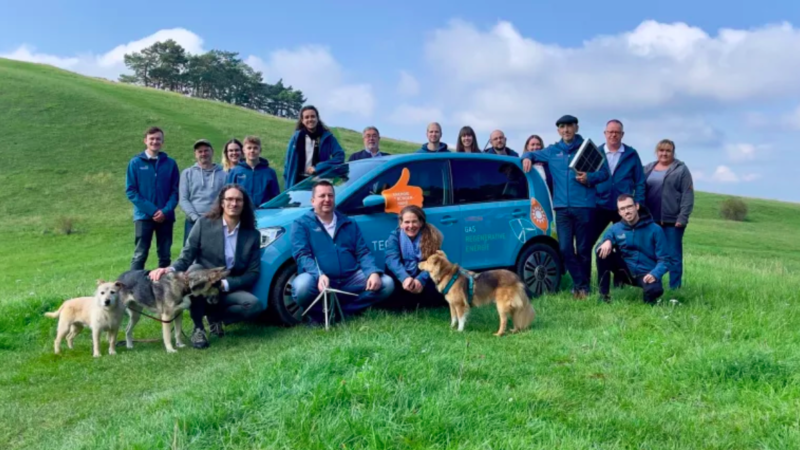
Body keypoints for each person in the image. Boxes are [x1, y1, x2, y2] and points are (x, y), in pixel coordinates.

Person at [149, 184, 264, 349]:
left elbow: (253, 273)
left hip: (227, 287)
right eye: (229, 199)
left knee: (254, 306)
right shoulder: (204, 224)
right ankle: (198, 329)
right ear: (222, 203)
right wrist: (169, 269)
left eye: (238, 200)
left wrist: (224, 284)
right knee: (194, 272)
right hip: (203, 284)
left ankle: (215, 317)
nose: (234, 203)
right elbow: (187, 255)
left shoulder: (252, 235)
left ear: (244, 204)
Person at [521, 115, 610, 299]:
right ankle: (581, 284)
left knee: (584, 250)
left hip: (584, 207)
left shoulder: (588, 149)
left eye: (569, 126)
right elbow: (530, 153)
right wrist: (527, 157)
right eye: (562, 127)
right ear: (558, 131)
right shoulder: (552, 151)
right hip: (561, 208)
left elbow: (604, 173)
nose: (566, 130)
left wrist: (589, 178)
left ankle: (583, 290)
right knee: (565, 249)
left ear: (576, 128)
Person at [290, 180, 394, 321]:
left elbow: (362, 252)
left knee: (386, 283)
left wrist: (372, 272)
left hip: (350, 278)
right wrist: (318, 274)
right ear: (313, 201)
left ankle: (343, 312)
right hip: (319, 279)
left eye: (330, 195)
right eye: (322, 196)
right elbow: (302, 255)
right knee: (301, 287)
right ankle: (317, 315)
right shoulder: (301, 224)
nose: (327, 200)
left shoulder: (349, 223)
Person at [595, 194, 670, 304]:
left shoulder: (656, 229)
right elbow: (607, 237)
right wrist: (607, 241)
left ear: (637, 206)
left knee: (654, 290)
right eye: (622, 209)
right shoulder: (616, 228)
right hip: (625, 272)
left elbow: (665, 260)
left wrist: (655, 274)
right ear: (619, 212)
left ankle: (648, 299)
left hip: (646, 273)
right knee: (601, 250)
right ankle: (604, 296)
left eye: (629, 207)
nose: (626, 211)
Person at [125, 126, 180, 271]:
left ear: (162, 142)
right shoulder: (135, 163)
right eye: (152, 139)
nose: (155, 142)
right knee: (140, 254)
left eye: (158, 139)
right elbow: (131, 191)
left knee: (165, 255)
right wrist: (153, 211)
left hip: (166, 218)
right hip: (143, 216)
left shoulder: (170, 164)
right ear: (145, 141)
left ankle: (165, 289)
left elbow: (175, 192)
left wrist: (165, 211)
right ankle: (132, 287)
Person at [644, 139, 694, 290]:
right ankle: (652, 285)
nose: (664, 153)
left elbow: (688, 194)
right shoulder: (647, 168)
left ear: (673, 152)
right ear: (656, 152)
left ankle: (675, 288)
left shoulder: (681, 170)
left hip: (673, 221)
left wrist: (683, 217)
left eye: (668, 151)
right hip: (650, 220)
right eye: (661, 150)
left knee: (673, 256)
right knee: (651, 255)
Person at [591, 119, 646, 244]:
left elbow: (640, 181)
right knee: (587, 242)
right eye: (610, 132)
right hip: (599, 206)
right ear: (605, 133)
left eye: (617, 132)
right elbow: (588, 178)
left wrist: (638, 204)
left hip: (623, 208)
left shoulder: (631, 154)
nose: (613, 135)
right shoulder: (596, 153)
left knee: (627, 243)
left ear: (622, 134)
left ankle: (623, 264)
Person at [383, 206, 446, 309]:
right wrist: (405, 278)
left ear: (421, 222)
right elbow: (392, 260)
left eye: (414, 222)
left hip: (423, 274)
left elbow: (435, 263)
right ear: (401, 223)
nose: (411, 226)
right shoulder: (394, 236)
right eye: (407, 222)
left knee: (437, 284)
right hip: (403, 275)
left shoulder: (432, 236)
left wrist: (420, 280)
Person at [283, 105, 345, 188]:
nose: (310, 119)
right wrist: (288, 185)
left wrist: (318, 167)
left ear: (317, 118)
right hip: (297, 183)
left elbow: (340, 156)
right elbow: (287, 164)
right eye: (306, 117)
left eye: (312, 116)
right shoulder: (296, 138)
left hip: (319, 182)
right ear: (302, 120)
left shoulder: (327, 137)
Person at [179, 139, 225, 244]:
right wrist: (195, 218)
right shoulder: (187, 173)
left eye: (206, 150)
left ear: (212, 152)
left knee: (214, 255)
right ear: (195, 154)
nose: (203, 154)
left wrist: (214, 216)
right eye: (200, 151)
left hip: (215, 221)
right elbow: (183, 199)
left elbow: (224, 199)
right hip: (193, 222)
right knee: (190, 256)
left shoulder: (223, 174)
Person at [226, 136, 280, 208]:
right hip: (242, 212)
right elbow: (228, 195)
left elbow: (275, 197)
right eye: (249, 148)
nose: (252, 151)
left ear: (260, 150)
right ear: (244, 150)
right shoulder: (235, 171)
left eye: (255, 148)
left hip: (264, 212)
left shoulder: (270, 172)